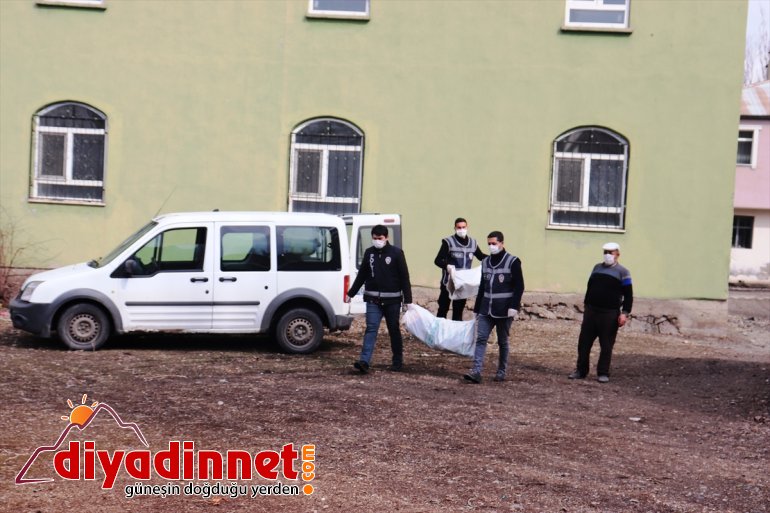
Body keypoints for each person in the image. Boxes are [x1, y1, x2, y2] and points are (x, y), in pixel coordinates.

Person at [347, 225, 412, 374]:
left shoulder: (396, 253)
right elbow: (362, 275)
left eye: (380, 238)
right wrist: (351, 293)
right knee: (371, 329)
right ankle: (364, 361)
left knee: (394, 330)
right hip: (373, 300)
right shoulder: (369, 253)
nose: (377, 241)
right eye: (374, 238)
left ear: (386, 237)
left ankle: (397, 361)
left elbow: (404, 277)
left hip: (392, 300)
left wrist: (408, 299)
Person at [464, 231, 524, 384]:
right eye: (489, 244)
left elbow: (519, 286)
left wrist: (514, 306)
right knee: (481, 338)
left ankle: (501, 371)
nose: (491, 246)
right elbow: (482, 287)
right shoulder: (485, 262)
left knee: (502, 341)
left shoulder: (513, 261)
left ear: (502, 243)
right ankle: (476, 371)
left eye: (494, 243)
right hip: (486, 309)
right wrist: (476, 309)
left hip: (504, 310)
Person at [568, 242, 633, 383]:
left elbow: (629, 295)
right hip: (591, 312)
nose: (607, 255)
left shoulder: (623, 272)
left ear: (617, 254)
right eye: (605, 252)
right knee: (584, 343)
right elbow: (590, 286)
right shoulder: (597, 268)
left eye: (611, 252)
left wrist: (624, 313)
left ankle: (603, 372)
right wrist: (586, 305)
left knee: (606, 345)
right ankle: (581, 370)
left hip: (609, 314)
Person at [434, 217, 486, 321]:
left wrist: (494, 258)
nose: (461, 229)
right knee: (443, 309)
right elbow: (438, 260)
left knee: (458, 312)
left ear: (467, 227)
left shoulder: (473, 243)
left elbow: (481, 256)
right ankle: (439, 330)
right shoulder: (448, 242)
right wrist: (447, 266)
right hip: (448, 283)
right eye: (459, 227)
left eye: (463, 227)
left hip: (462, 284)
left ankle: (455, 331)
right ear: (455, 228)